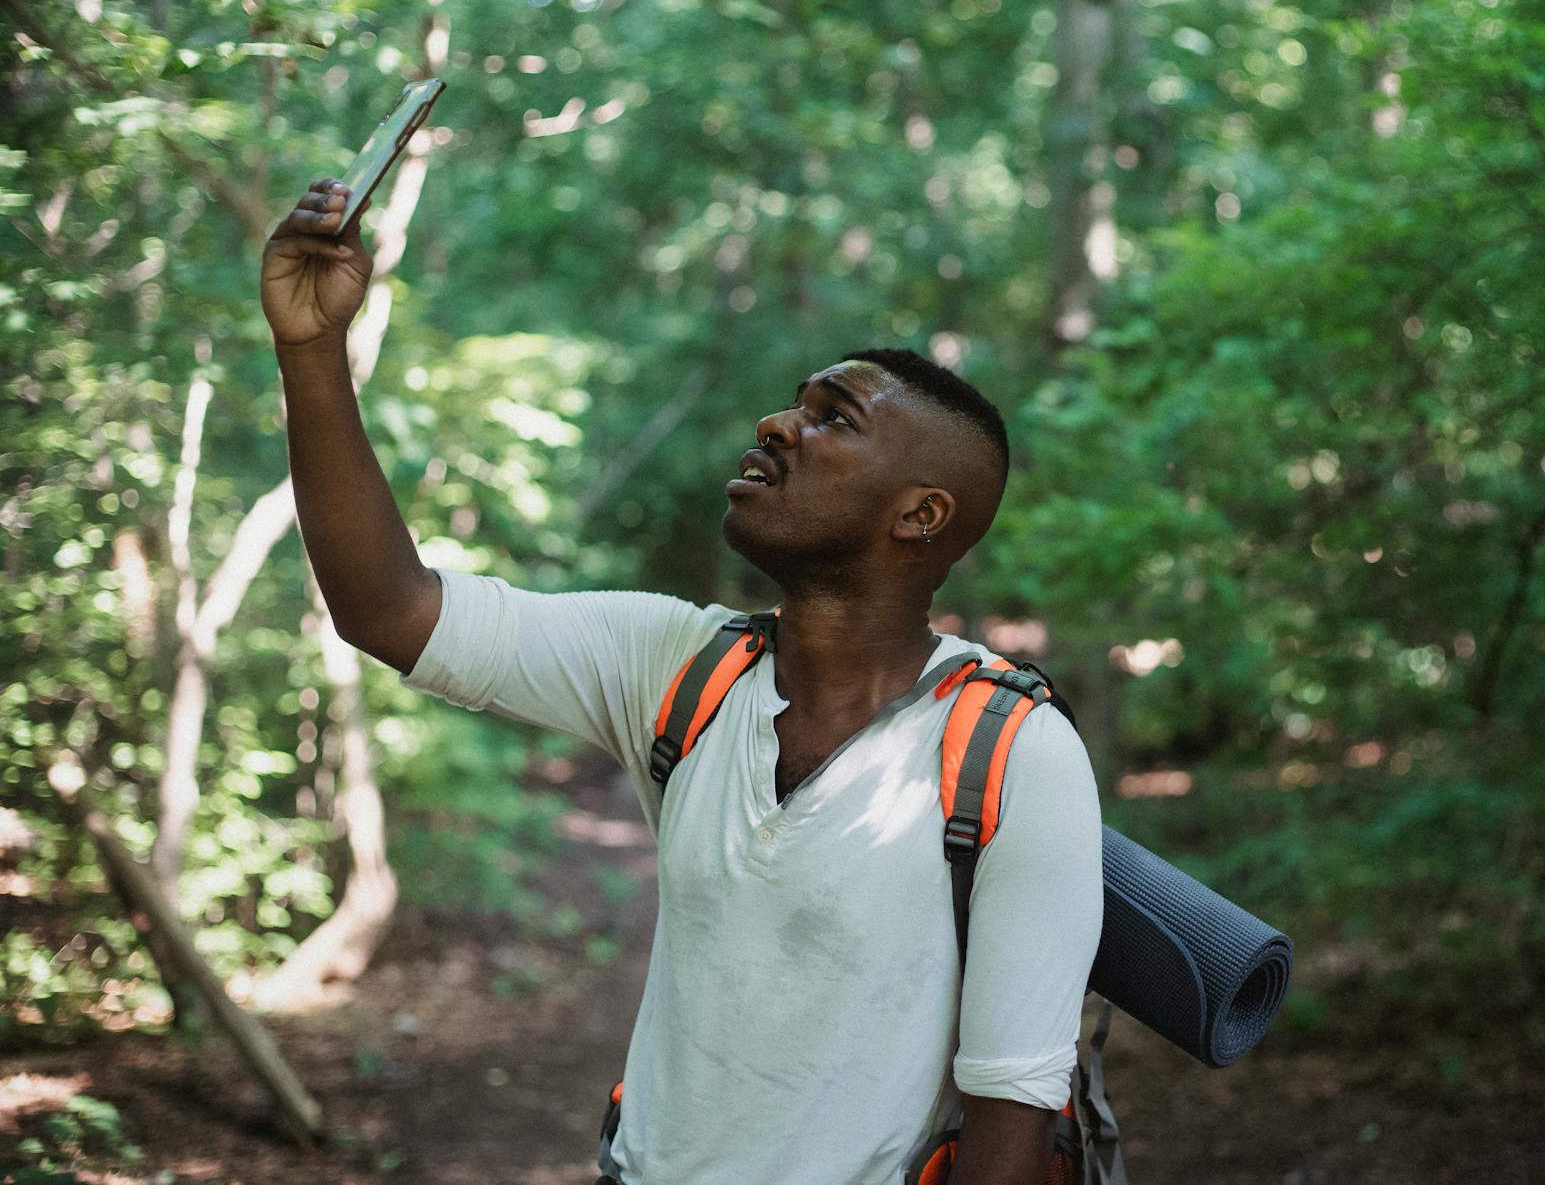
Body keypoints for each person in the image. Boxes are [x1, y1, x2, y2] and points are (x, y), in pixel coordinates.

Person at [260, 178, 1104, 1184]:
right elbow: (389, 609)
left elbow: (1010, 1123)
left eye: (831, 417)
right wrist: (310, 348)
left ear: (919, 515)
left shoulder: (1014, 754)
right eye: (796, 402)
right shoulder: (680, 665)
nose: (778, 423)